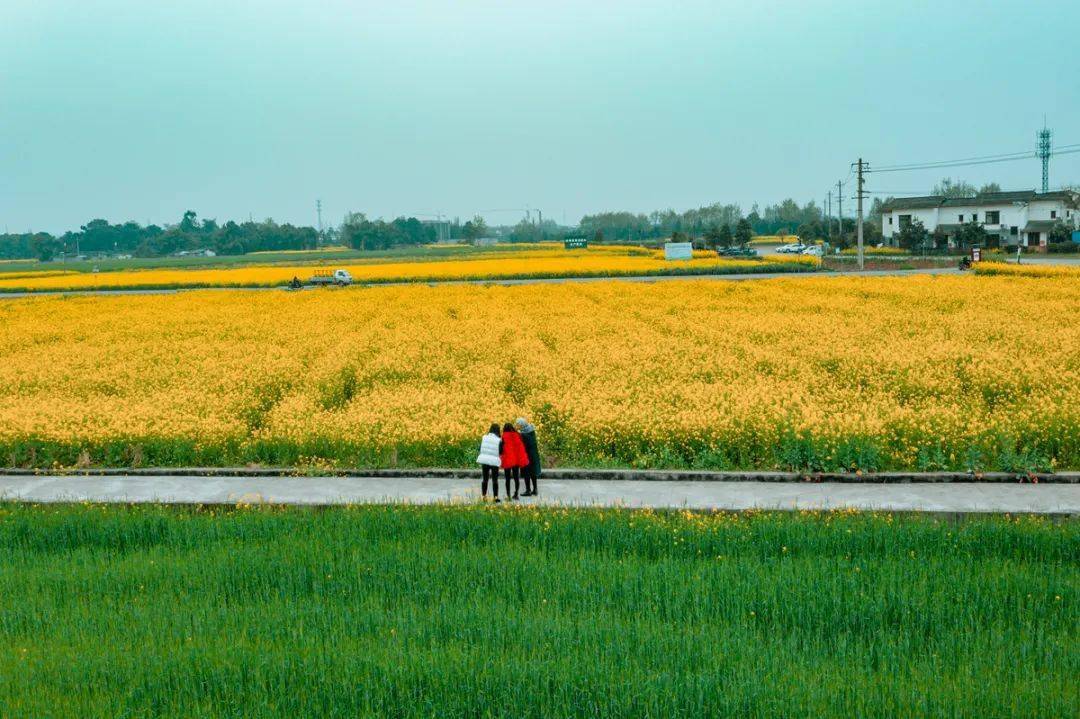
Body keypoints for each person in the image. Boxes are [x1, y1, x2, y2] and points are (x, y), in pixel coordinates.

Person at [500, 422, 529, 500]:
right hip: (516, 460)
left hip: (508, 460)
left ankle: (508, 496)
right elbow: (521, 447)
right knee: (516, 478)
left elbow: (501, 449)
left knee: (507, 479)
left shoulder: (504, 436)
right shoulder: (517, 435)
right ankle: (516, 494)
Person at [515, 417, 542, 497]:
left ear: (522, 425)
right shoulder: (531, 431)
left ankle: (528, 490)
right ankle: (535, 489)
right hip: (534, 455)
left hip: (527, 456)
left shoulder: (523, 435)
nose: (517, 426)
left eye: (518, 425)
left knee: (526, 473)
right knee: (533, 473)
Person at [476, 423, 502, 502]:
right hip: (494, 462)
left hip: (485, 461)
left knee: (485, 479)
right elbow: (501, 451)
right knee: (495, 480)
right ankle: (495, 498)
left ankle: (484, 497)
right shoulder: (499, 440)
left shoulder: (484, 437)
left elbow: (479, 448)